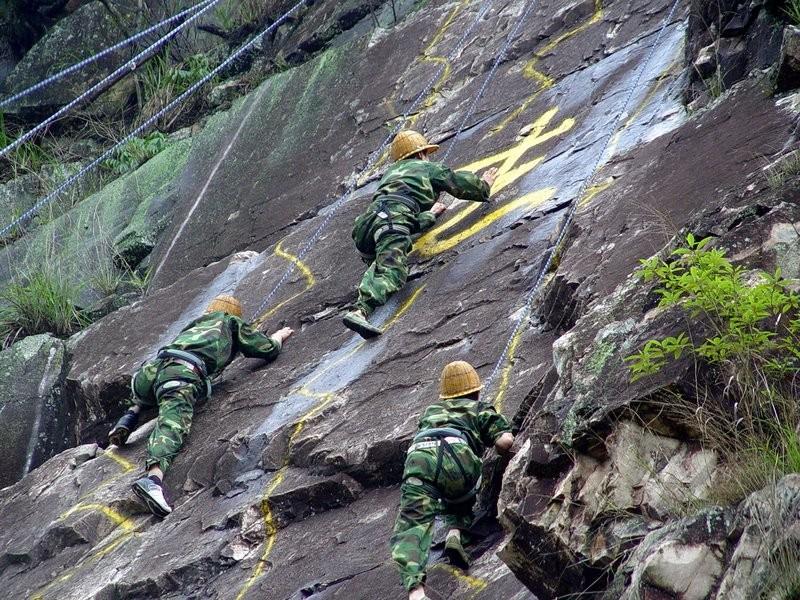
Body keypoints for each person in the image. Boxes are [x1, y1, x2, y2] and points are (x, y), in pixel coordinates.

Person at [107, 294, 294, 517]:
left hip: (149, 374)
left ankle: (131, 415)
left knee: (153, 392)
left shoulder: (194, 325)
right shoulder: (231, 321)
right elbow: (265, 349)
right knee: (173, 422)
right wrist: (278, 336)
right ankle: (152, 479)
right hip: (182, 374)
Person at [343, 130, 499, 338]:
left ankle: (366, 295)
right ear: (420, 154)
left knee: (381, 260)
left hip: (366, 227)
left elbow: (403, 215)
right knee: (393, 271)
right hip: (391, 221)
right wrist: (483, 185)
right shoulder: (425, 167)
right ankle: (360, 310)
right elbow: (455, 182)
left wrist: (430, 215)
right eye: (427, 154)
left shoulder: (390, 176)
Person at [390, 361, 514, 600]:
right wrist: (505, 451)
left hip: (420, 456)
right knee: (461, 489)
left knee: (412, 523)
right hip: (458, 454)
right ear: (476, 391)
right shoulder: (479, 408)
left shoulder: (430, 412)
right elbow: (504, 442)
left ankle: (416, 593)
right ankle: (456, 531)